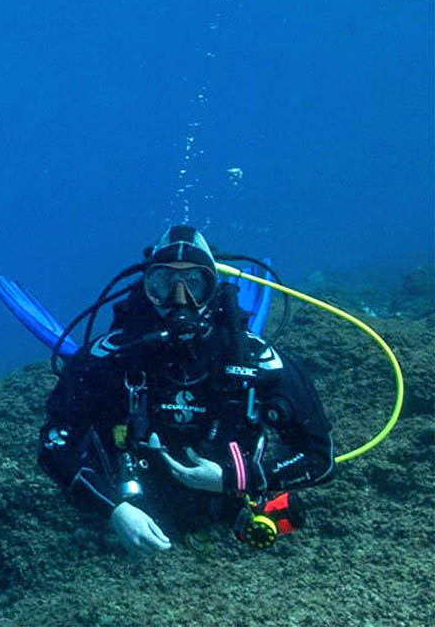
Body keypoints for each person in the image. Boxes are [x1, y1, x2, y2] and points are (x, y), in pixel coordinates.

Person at [35, 226, 334, 554]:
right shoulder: (107, 359)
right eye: (164, 284)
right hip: (130, 502)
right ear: (146, 288)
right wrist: (114, 509)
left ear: (213, 288)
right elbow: (54, 445)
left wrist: (237, 477)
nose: (180, 299)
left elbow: (320, 457)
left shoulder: (254, 359)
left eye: (194, 284)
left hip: (229, 503)